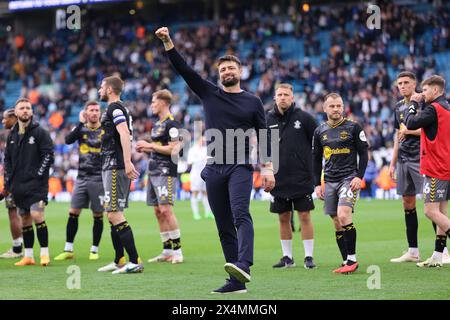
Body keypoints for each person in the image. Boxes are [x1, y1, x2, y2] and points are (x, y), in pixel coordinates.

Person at [156, 27, 275, 294]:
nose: (227, 72)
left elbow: (265, 136)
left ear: (240, 72)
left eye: (231, 68)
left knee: (241, 214)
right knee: (222, 224)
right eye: (222, 70)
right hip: (214, 167)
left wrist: (268, 168)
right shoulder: (210, 93)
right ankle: (236, 282)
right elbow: (184, 70)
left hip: (240, 165)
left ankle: (244, 263)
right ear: (219, 75)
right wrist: (168, 43)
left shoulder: (253, 102)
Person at [312, 93, 369, 274]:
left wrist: (359, 177)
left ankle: (352, 259)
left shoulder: (353, 127)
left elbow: (364, 153)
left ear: (343, 107)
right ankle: (346, 261)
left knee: (343, 215)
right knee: (337, 222)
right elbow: (315, 159)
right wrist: (317, 184)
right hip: (329, 181)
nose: (336, 109)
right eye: (332, 106)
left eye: (339, 105)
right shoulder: (319, 131)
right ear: (325, 108)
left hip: (348, 179)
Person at [266, 83, 318, 269]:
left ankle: (308, 256)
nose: (282, 98)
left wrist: (317, 173)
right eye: (279, 94)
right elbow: (265, 150)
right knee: (283, 217)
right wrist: (266, 173)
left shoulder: (304, 118)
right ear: (275, 97)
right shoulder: (267, 119)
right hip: (278, 178)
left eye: (286, 94)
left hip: (302, 177)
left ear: (292, 97)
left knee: (304, 215)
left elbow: (318, 144)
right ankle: (287, 257)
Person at [96, 76, 143, 274]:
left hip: (115, 165)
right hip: (110, 165)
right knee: (111, 214)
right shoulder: (115, 108)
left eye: (101, 87)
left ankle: (134, 261)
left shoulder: (114, 108)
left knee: (115, 213)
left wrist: (126, 161)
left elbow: (124, 133)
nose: (99, 90)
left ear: (109, 89)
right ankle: (119, 260)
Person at [405, 75, 450, 268]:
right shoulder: (446, 107)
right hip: (446, 164)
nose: (422, 93)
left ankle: (439, 255)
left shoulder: (434, 109)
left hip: (435, 167)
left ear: (436, 91)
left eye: (425, 90)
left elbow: (410, 123)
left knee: (430, 212)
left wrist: (413, 104)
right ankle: (438, 256)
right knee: (441, 211)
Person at [135, 89, 184, 264]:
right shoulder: (157, 125)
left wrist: (150, 146)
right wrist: (145, 147)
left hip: (166, 171)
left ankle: (178, 251)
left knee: (166, 210)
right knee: (157, 211)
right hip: (153, 170)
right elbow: (158, 146)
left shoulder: (173, 125)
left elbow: (174, 149)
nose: (152, 105)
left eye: (154, 101)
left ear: (163, 102)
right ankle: (167, 250)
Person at [4, 98, 54, 267]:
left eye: (28, 108)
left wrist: (39, 174)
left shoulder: (40, 132)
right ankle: (28, 256)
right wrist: (8, 184)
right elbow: (8, 161)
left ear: (31, 112)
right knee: (24, 219)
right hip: (18, 186)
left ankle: (45, 253)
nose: (25, 110)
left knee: (37, 215)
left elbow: (48, 156)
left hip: (37, 185)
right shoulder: (11, 135)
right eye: (22, 108)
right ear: (16, 112)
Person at [54, 101, 105, 261]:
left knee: (98, 214)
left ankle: (94, 250)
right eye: (91, 110)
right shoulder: (81, 128)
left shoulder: (105, 130)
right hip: (81, 177)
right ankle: (68, 249)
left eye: (97, 110)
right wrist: (80, 122)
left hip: (99, 178)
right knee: (73, 212)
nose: (95, 113)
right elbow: (68, 140)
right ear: (85, 113)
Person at [389, 72, 424, 263]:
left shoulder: (423, 102)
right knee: (407, 203)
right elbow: (398, 136)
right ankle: (413, 251)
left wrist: (408, 130)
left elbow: (429, 130)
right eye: (400, 83)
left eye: (406, 83)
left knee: (432, 204)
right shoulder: (399, 106)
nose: (403, 86)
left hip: (421, 158)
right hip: (403, 159)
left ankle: (442, 251)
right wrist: (392, 163)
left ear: (414, 83)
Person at [0, 109, 23, 259]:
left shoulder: (16, 135)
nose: (3, 121)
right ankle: (23, 249)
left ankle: (17, 249)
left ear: (14, 118)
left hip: (16, 182)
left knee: (13, 212)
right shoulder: (16, 134)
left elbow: (13, 162)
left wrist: (7, 187)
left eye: (5, 118)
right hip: (19, 180)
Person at [187, 136, 213, 220]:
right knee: (195, 192)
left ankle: (208, 212)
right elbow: (189, 162)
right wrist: (200, 159)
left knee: (206, 192)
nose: (203, 142)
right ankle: (196, 213)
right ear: (198, 141)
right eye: (202, 140)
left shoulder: (206, 149)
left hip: (205, 173)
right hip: (195, 174)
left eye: (204, 141)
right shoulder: (192, 150)